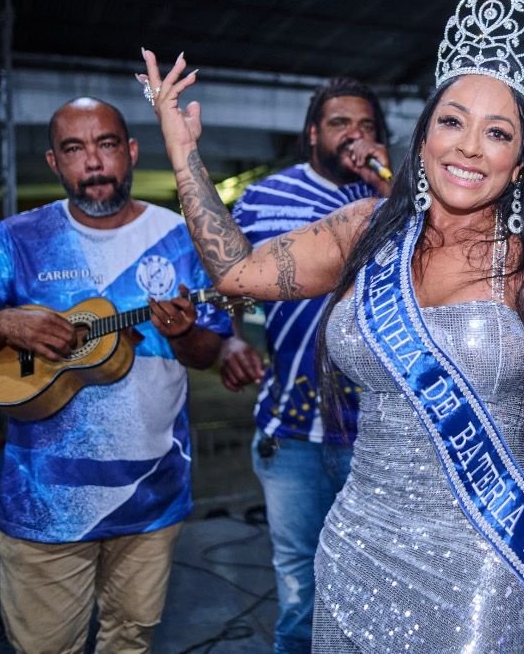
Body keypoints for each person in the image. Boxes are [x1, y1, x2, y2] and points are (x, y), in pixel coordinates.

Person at [140, 0, 524, 653]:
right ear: (424, 137)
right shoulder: (366, 229)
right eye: (452, 121)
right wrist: (183, 151)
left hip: (484, 551)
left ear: (521, 162)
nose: (469, 145)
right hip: (359, 540)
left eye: (498, 132)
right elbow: (238, 270)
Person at [0, 97, 231, 654]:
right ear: (54, 162)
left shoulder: (179, 235)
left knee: (130, 640)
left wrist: (185, 331)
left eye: (107, 144)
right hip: (46, 504)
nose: (93, 161)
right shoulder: (17, 239)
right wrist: (2, 322)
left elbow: (207, 352)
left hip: (152, 495)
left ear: (131, 151)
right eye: (74, 149)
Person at [219, 77, 391, 654]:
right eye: (341, 124)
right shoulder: (263, 199)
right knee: (300, 585)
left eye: (366, 127)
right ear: (313, 133)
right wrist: (228, 342)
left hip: (379, 435)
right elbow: (226, 280)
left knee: (377, 585)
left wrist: (392, 188)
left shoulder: (399, 200)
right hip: (292, 432)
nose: (355, 136)